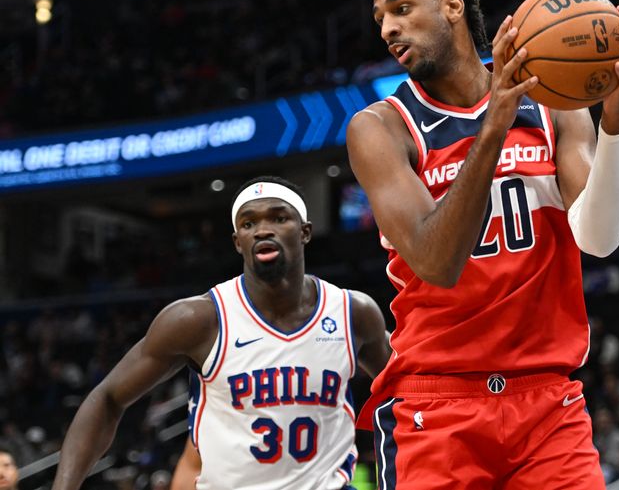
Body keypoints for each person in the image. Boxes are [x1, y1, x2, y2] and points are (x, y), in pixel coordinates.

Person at [346, 0, 619, 488]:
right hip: (437, 404)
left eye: (401, 8)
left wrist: (616, 120)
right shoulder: (380, 129)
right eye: (380, 19)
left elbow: (598, 240)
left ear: (453, 6)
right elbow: (436, 262)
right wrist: (493, 129)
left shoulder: (555, 104)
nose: (388, 28)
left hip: (547, 403)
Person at [52, 176, 392, 490]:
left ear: (305, 232)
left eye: (278, 218)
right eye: (249, 223)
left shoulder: (353, 313)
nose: (262, 230)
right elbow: (107, 398)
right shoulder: (198, 319)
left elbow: (407, 392)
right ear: (237, 242)